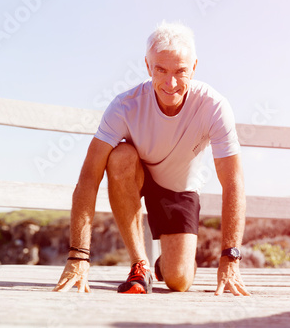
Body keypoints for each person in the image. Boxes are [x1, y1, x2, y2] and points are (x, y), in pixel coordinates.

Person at [53, 21, 250, 296]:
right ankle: (140, 264)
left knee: (178, 281)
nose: (171, 84)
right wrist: (78, 256)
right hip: (136, 173)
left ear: (194, 67)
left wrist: (230, 258)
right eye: (161, 70)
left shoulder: (214, 107)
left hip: (179, 187)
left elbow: (233, 183)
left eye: (181, 71)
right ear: (148, 66)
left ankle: (166, 262)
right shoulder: (124, 106)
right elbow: (88, 176)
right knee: (119, 156)